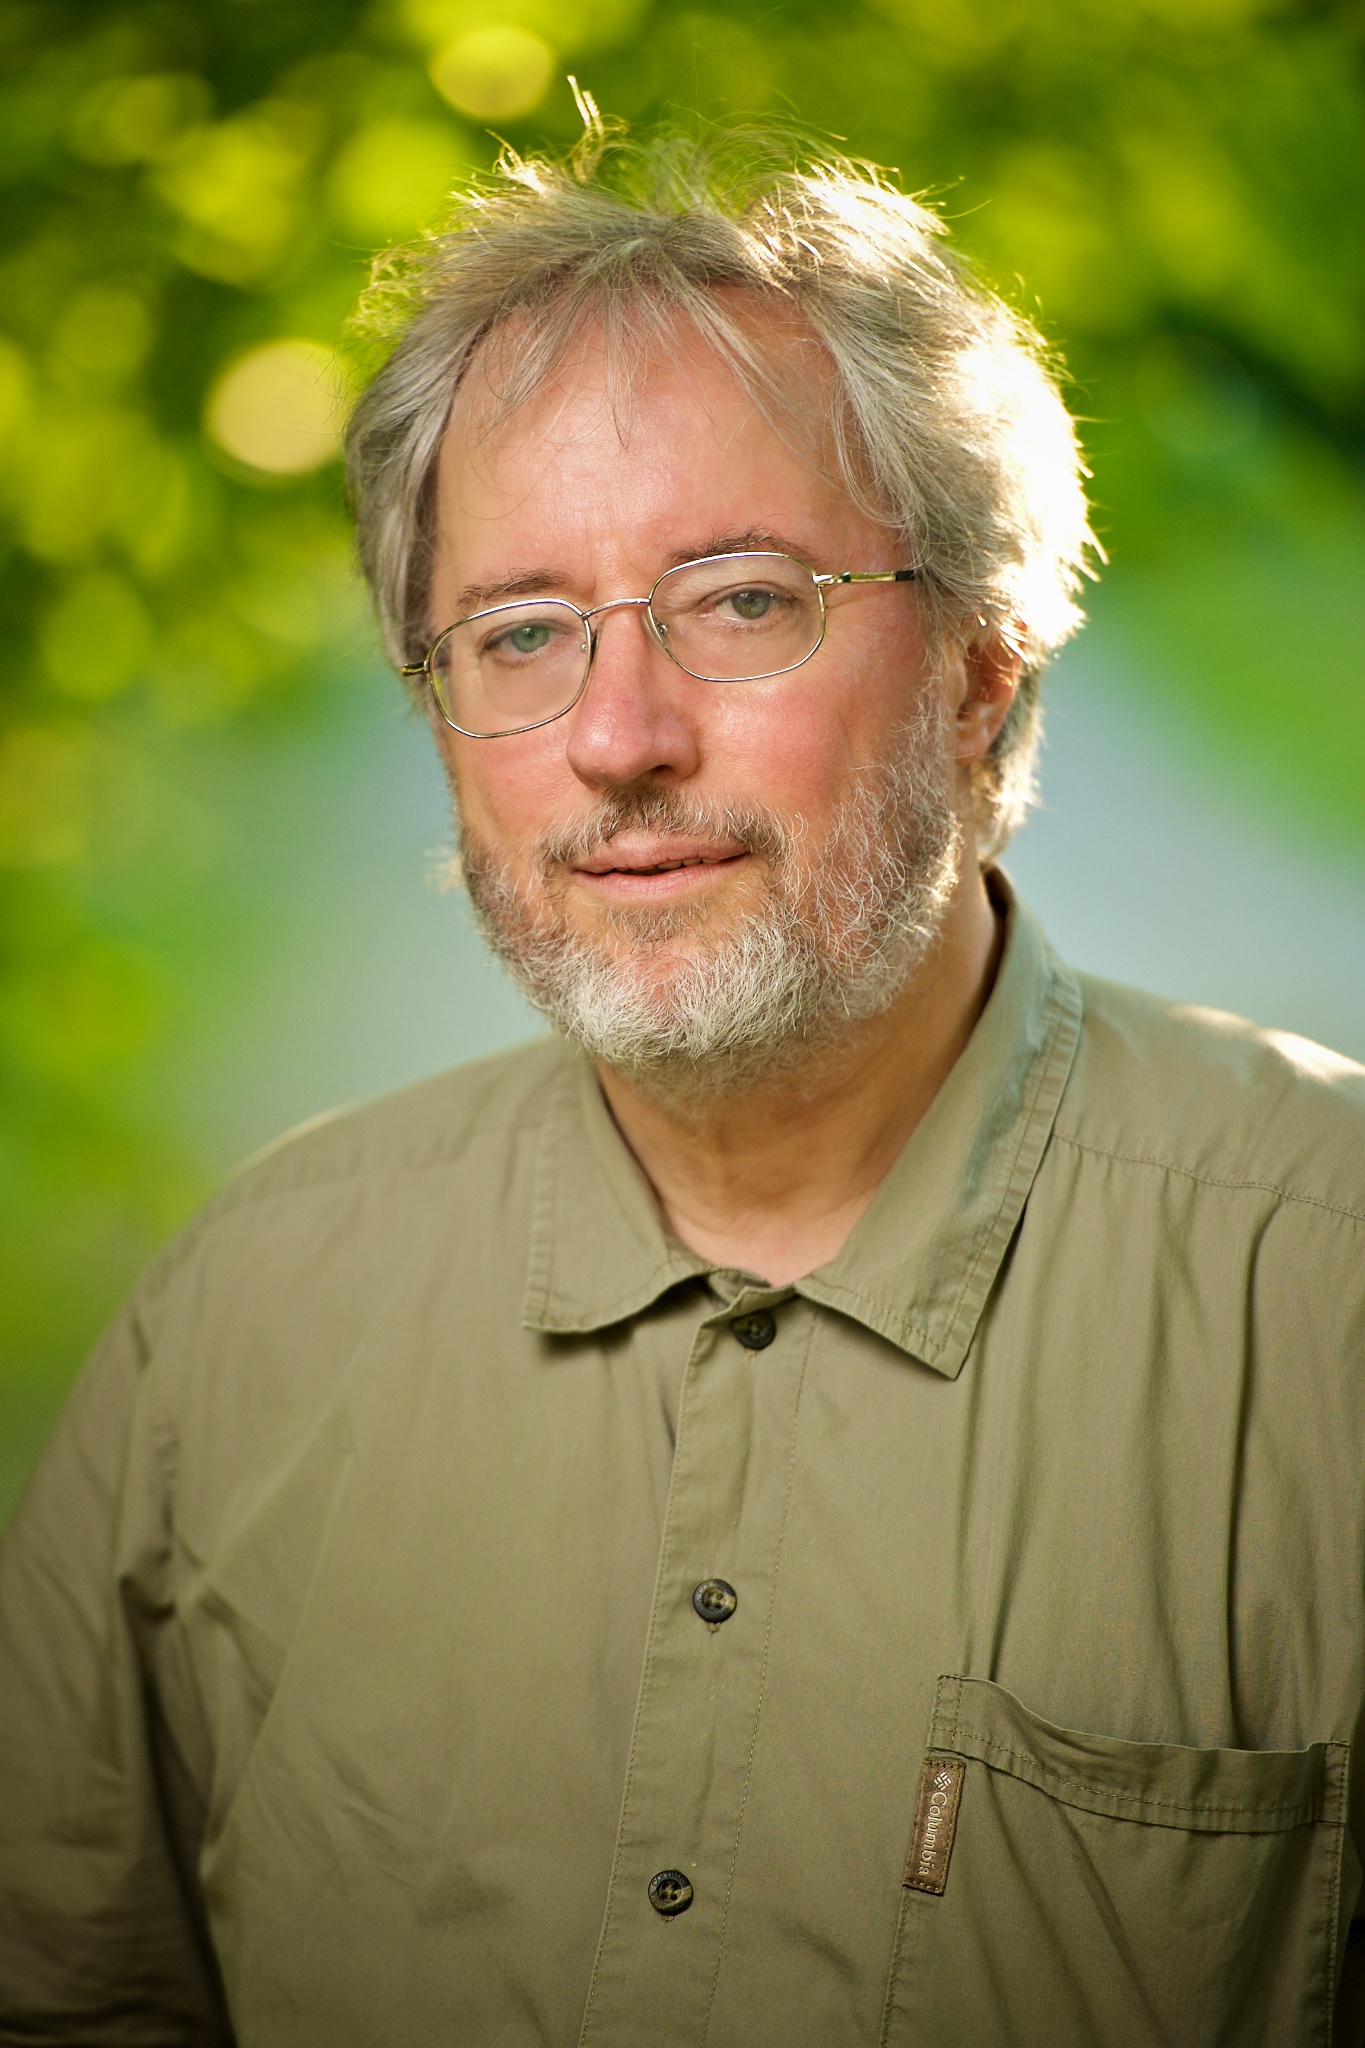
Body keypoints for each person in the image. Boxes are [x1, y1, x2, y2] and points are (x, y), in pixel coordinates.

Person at [1, 114, 1363, 2048]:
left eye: (740, 600)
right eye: (520, 633)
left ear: (980, 663)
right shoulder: (241, 1321)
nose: (617, 740)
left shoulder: (1328, 1293)